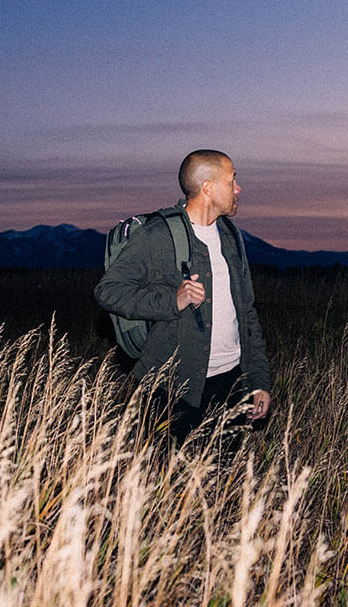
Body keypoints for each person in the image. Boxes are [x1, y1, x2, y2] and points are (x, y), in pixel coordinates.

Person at [96, 150, 272, 455]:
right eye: (232, 181)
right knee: (169, 483)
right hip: (172, 385)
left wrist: (259, 381)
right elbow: (108, 290)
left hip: (230, 382)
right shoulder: (158, 235)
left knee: (220, 481)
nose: (238, 189)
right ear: (208, 187)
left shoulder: (231, 236)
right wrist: (171, 300)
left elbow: (246, 312)